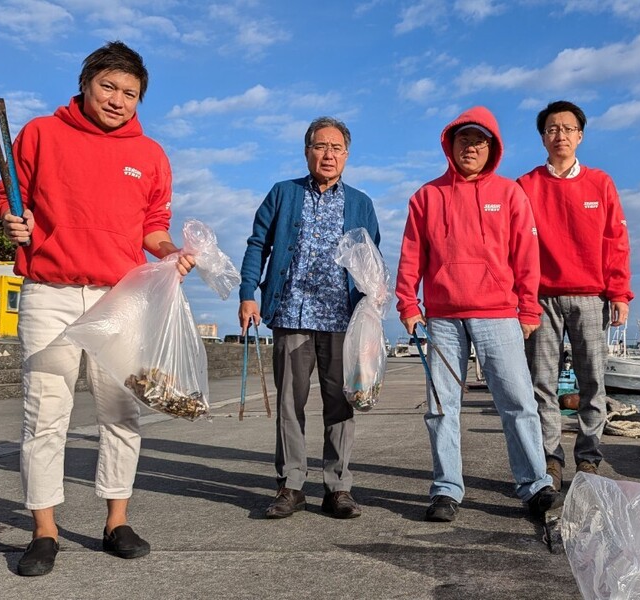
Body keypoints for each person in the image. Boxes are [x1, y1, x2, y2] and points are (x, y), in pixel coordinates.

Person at [0, 42, 195, 577]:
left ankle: (116, 522)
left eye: (130, 93)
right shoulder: (41, 132)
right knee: (45, 414)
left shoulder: (151, 154)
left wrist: (171, 252)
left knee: (121, 412)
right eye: (108, 86)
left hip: (120, 298)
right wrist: (15, 219)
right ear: (85, 84)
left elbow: (153, 227)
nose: (117, 100)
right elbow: (11, 195)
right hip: (49, 291)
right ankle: (44, 531)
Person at [395, 106, 563, 523]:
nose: (470, 148)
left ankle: (535, 484)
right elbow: (411, 255)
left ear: (494, 149)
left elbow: (527, 256)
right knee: (440, 406)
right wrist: (408, 304)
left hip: (499, 314)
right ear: (449, 145)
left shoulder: (510, 194)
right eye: (463, 140)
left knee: (518, 401)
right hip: (442, 318)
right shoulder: (426, 196)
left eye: (479, 141)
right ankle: (446, 489)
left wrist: (529, 308)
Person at [239, 117, 380, 521]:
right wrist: (248, 294)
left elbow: (372, 259)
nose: (328, 155)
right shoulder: (283, 193)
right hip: (291, 313)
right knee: (289, 403)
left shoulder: (361, 203)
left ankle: (338, 487)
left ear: (346, 155)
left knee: (341, 404)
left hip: (341, 320)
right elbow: (258, 245)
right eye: (320, 146)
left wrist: (373, 307)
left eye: (336, 148)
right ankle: (291, 485)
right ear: (307, 152)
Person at [519, 100, 633, 490]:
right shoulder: (525, 185)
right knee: (542, 384)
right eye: (552, 129)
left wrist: (619, 294)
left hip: (591, 297)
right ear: (542, 137)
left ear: (580, 136)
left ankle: (589, 458)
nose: (560, 135)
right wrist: (521, 299)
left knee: (593, 381)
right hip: (542, 298)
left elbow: (616, 241)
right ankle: (550, 460)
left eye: (568, 129)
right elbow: (515, 246)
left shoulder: (600, 183)